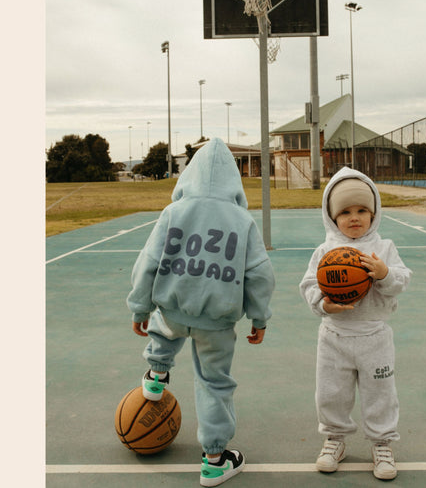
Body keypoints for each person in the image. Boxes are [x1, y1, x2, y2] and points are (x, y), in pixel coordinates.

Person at [127, 138, 275, 487]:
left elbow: (148, 262)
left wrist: (139, 306)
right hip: (218, 324)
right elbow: (260, 273)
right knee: (214, 384)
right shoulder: (243, 221)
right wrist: (260, 316)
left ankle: (156, 373)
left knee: (164, 327)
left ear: (188, 176)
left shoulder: (173, 213)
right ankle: (214, 460)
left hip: (174, 309)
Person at [299, 166, 411, 480]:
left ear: (374, 213)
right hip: (334, 336)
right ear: (332, 217)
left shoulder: (384, 249)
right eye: (345, 211)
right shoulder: (325, 252)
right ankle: (335, 439)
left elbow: (402, 280)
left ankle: (382, 443)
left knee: (381, 393)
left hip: (375, 336)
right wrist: (324, 304)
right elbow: (309, 285)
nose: (354, 217)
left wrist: (384, 273)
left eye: (362, 210)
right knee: (331, 393)